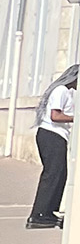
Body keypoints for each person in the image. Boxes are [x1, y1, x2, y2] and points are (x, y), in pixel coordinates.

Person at [27, 63, 75, 229]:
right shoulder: (61, 90)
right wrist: (75, 118)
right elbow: (55, 115)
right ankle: (39, 214)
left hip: (56, 136)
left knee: (59, 174)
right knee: (53, 174)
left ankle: (47, 213)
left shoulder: (66, 92)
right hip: (52, 135)